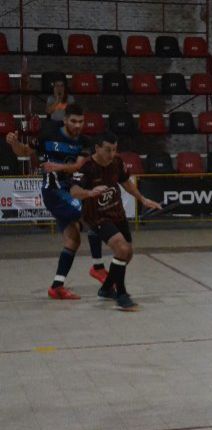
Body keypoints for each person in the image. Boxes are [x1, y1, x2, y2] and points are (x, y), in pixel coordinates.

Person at [4, 103, 108, 299]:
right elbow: (24, 152)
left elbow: (77, 166)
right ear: (66, 120)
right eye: (74, 121)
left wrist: (58, 167)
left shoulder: (84, 142)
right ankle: (98, 267)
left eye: (81, 121)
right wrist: (14, 143)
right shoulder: (48, 135)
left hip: (67, 190)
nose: (78, 125)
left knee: (73, 240)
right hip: (54, 191)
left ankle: (57, 286)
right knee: (93, 217)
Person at [69, 132, 162, 311]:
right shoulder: (86, 167)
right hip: (97, 216)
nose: (111, 154)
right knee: (121, 248)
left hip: (117, 212)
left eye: (114, 150)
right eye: (107, 150)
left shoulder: (117, 162)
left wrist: (142, 199)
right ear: (97, 148)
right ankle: (121, 294)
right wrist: (89, 193)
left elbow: (126, 182)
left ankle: (106, 288)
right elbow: (73, 191)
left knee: (127, 254)